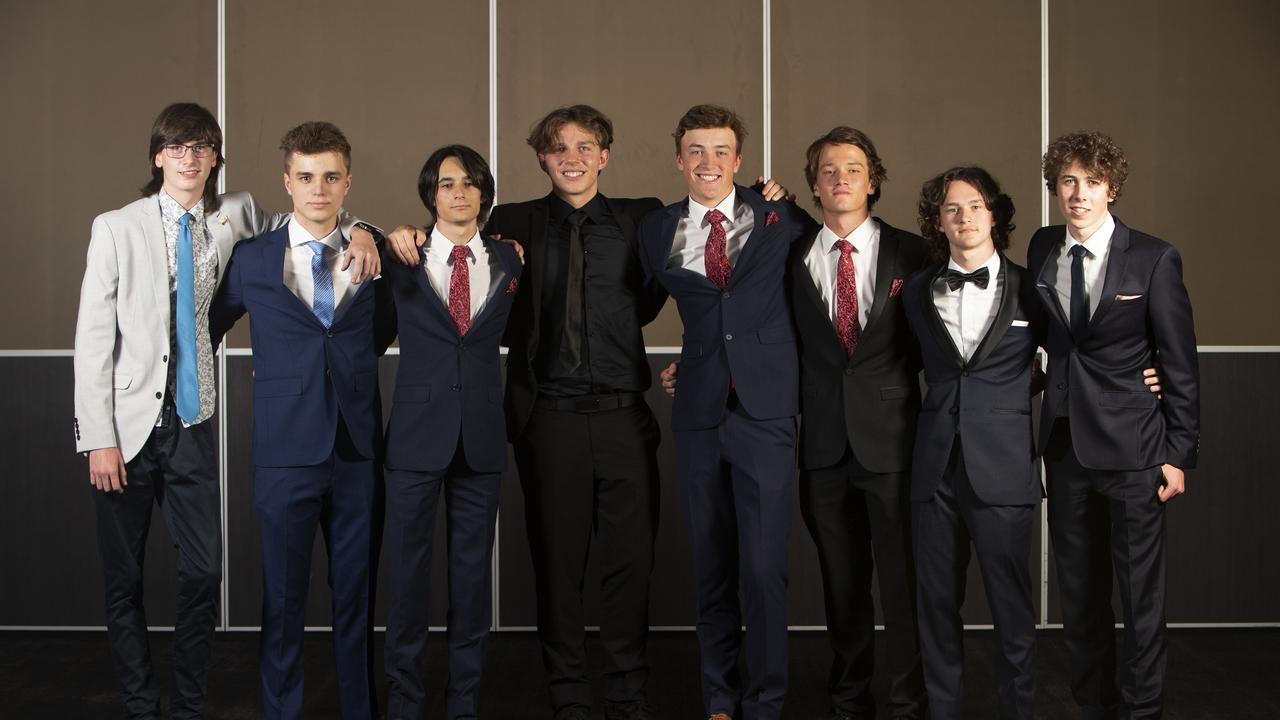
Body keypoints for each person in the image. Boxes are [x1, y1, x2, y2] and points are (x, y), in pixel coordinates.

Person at [72, 103, 378, 720]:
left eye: (202, 147)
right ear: (158, 155)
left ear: (215, 158)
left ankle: (186, 707)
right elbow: (93, 336)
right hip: (127, 422)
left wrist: (364, 226)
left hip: (195, 417)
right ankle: (140, 703)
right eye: (177, 146)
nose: (190, 156)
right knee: (124, 579)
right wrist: (96, 435)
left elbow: (313, 220)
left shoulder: (236, 216)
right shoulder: (116, 226)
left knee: (201, 576)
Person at [481, 105, 664, 720]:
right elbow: (444, 236)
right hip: (550, 417)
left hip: (623, 417)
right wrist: (386, 231)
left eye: (585, 147)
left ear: (605, 155)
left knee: (630, 566)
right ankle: (567, 697)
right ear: (540, 157)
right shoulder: (511, 221)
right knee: (558, 568)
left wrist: (766, 195)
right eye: (558, 148)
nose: (573, 158)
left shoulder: (642, 219)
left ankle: (627, 694)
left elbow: (712, 238)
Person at [209, 121, 394, 720]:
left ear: (347, 184)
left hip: (356, 449)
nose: (319, 189)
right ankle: (281, 711)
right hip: (285, 452)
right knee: (283, 600)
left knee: (358, 599)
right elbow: (206, 325)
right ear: (287, 182)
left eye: (331, 178)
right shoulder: (251, 259)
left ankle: (360, 710)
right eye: (307, 177)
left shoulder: (374, 255)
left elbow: (381, 330)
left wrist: (366, 229)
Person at [637, 104, 808, 720]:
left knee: (763, 570)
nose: (708, 163)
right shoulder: (657, 230)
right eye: (696, 151)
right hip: (700, 411)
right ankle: (720, 698)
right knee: (711, 564)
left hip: (766, 411)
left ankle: (765, 701)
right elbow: (632, 302)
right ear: (680, 158)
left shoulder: (780, 214)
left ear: (738, 161)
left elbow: (827, 275)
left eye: (720, 152)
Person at [1029, 131, 1199, 719]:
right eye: (1068, 182)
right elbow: (1050, 335)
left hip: (1136, 451)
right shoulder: (1043, 245)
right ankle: (1092, 707)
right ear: (1056, 188)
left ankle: (1142, 710)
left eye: (1092, 182)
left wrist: (1179, 452)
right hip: (1066, 445)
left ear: (1112, 188)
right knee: (1079, 596)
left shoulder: (1154, 256)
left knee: (1140, 598)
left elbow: (1179, 361)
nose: (1079, 193)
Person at [787, 127, 928, 720]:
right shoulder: (788, 255)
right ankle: (848, 701)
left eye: (852, 168)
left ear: (872, 180)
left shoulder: (914, 252)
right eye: (827, 170)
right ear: (814, 185)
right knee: (841, 588)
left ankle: (906, 701)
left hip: (894, 444)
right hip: (821, 446)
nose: (840, 178)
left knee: (901, 585)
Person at [379, 144, 522, 720]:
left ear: (483, 193)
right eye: (445, 183)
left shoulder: (510, 260)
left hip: (482, 438)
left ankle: (463, 704)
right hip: (415, 439)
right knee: (408, 582)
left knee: (471, 584)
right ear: (430, 195)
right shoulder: (399, 257)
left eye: (468, 183)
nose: (458, 192)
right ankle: (405, 704)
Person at [903, 166, 1043, 720]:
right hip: (932, 466)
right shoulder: (916, 291)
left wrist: (1146, 373)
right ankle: (943, 710)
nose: (964, 217)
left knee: (1012, 607)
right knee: (935, 604)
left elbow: (1072, 358)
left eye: (975, 206)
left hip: (1004, 466)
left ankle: (1019, 710)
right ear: (938, 221)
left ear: (996, 214)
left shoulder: (1033, 286)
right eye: (952, 209)